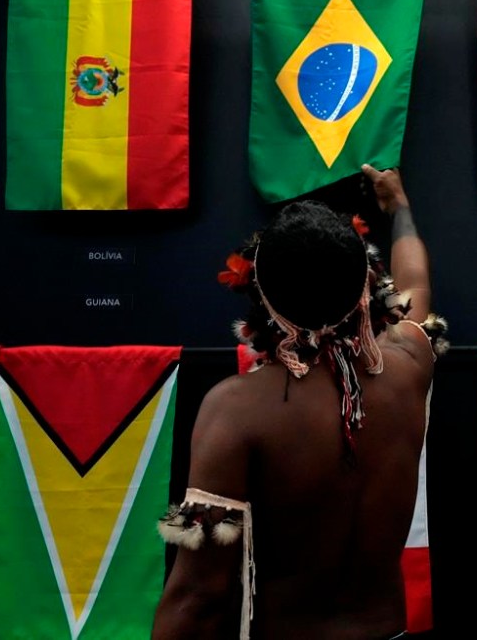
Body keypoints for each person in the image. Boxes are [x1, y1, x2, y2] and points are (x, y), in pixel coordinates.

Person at [151, 164, 446, 639]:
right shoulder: (410, 362)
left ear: (260, 293)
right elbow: (415, 285)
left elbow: (198, 596)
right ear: (367, 286)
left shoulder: (236, 410)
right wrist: (400, 208)